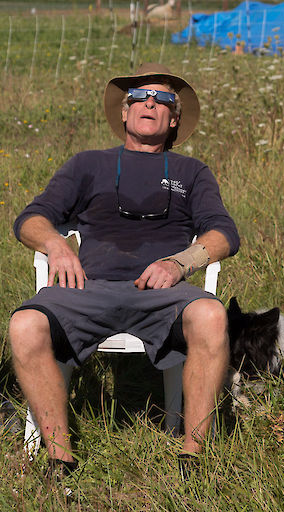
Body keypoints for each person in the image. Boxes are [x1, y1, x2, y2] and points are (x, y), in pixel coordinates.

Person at [9, 63, 239, 480]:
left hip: (162, 293)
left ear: (174, 118)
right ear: (124, 111)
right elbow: (30, 219)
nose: (150, 102)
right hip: (87, 287)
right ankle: (59, 457)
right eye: (140, 96)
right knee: (25, 324)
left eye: (163, 99)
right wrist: (57, 245)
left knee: (211, 314)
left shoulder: (191, 171)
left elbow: (224, 233)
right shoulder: (87, 164)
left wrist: (180, 262)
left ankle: (193, 458)